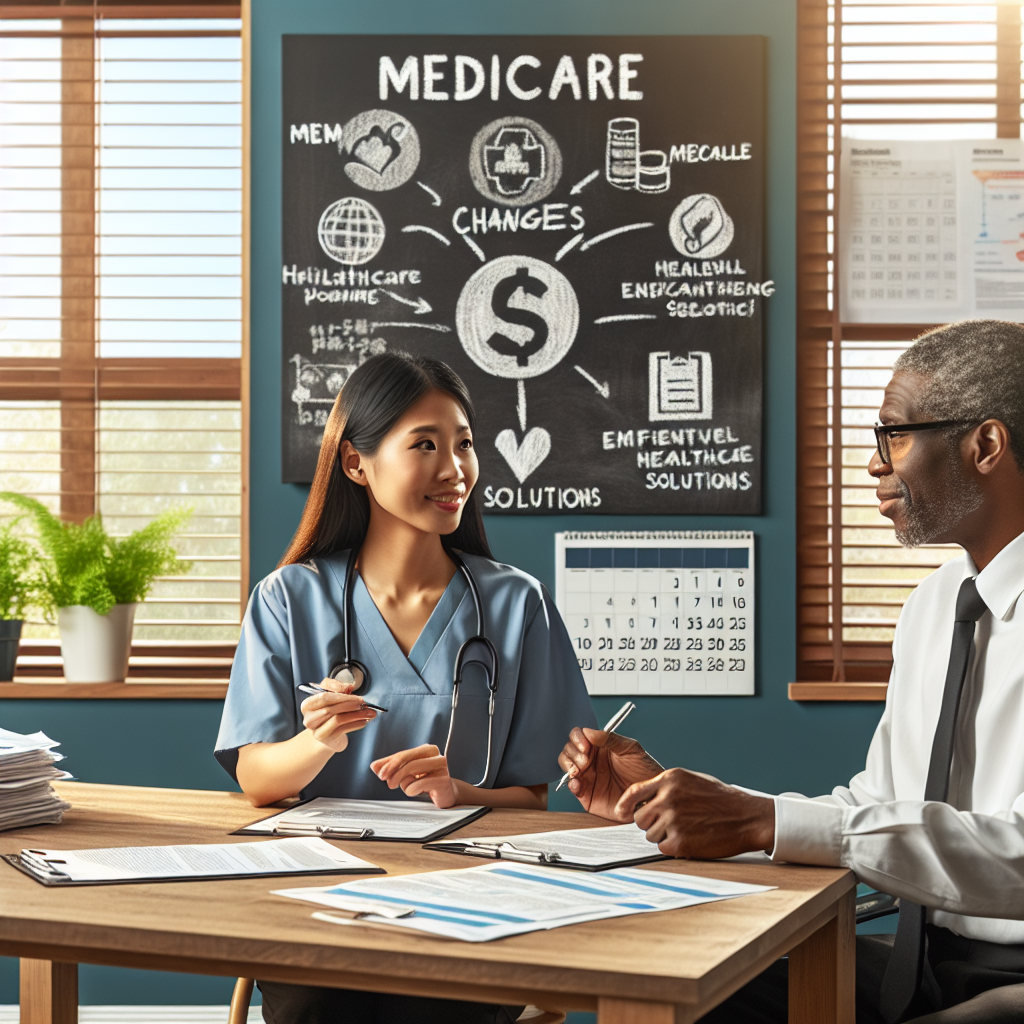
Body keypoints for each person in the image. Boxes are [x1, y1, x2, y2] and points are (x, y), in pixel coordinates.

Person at [558, 320, 1024, 1024]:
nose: (874, 463)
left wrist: (758, 819)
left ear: (984, 445)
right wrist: (684, 808)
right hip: (919, 953)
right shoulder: (935, 606)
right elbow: (873, 808)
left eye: (893, 434)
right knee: (699, 1004)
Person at [216, 352, 596, 1024]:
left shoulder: (518, 605)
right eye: (425, 444)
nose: (456, 470)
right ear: (357, 464)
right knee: (320, 999)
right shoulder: (287, 599)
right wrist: (315, 742)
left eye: (466, 444)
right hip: (322, 900)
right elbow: (258, 780)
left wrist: (461, 792)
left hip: (469, 904)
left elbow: (532, 799)